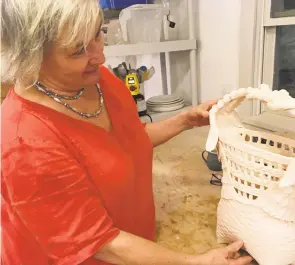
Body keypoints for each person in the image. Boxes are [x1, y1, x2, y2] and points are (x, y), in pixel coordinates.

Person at [1, 1, 253, 264]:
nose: (100, 56)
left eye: (98, 34)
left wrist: (184, 120)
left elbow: (128, 142)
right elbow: (97, 242)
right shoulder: (25, 142)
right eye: (78, 51)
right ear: (31, 55)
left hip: (133, 248)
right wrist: (194, 262)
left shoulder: (97, 81)